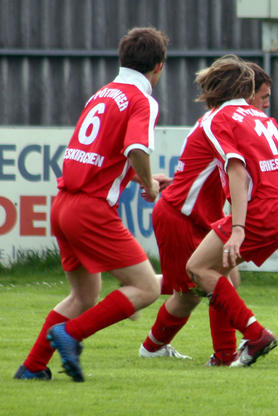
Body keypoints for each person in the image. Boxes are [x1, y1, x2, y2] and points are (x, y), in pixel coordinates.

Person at [138, 60, 278, 366]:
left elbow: (238, 165)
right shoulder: (242, 120)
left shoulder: (224, 119)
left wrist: (238, 226)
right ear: (245, 91)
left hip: (229, 211)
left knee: (203, 279)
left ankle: (243, 340)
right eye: (262, 95)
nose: (265, 101)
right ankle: (200, 351)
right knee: (200, 285)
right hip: (187, 214)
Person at [14, 27, 170, 382]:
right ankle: (70, 335)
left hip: (64, 203)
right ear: (158, 66)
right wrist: (147, 183)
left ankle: (33, 367)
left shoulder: (103, 93)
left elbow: (100, 157)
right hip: (91, 210)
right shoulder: (141, 99)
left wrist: (143, 177)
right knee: (145, 288)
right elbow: (135, 149)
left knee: (84, 295)